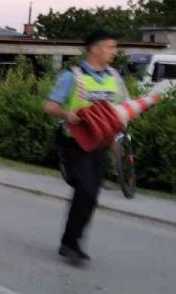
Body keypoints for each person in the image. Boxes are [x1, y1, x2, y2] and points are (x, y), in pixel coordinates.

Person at [43, 29, 128, 264]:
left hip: (100, 143)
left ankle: (72, 242)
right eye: (110, 47)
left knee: (90, 196)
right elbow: (49, 106)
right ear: (94, 48)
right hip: (74, 143)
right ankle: (70, 243)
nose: (114, 52)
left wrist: (118, 139)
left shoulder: (115, 78)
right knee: (86, 189)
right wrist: (65, 114)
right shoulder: (72, 76)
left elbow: (122, 110)